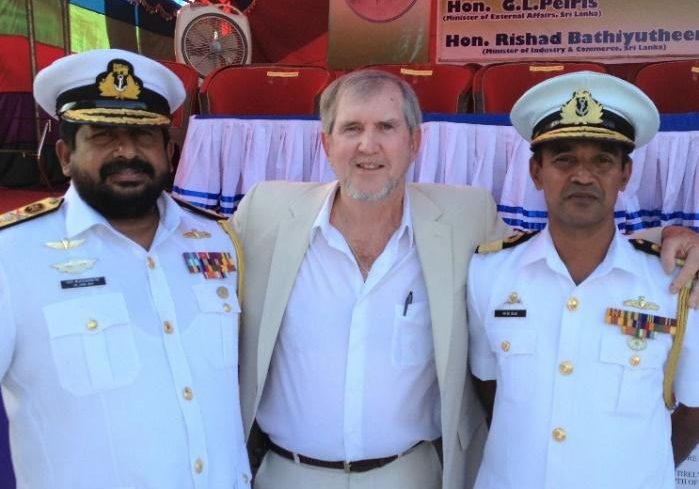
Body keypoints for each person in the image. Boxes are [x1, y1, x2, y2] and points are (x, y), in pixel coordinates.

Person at [0, 49, 251, 488]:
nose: (127, 152)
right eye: (102, 135)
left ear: (169, 151)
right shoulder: (12, 255)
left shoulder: (219, 241)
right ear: (64, 155)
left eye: (145, 137)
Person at [468, 71, 699, 489]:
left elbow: (694, 410)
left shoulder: (674, 281)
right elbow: (488, 386)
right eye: (564, 159)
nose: (583, 176)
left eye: (602, 161)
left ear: (625, 175)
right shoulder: (488, 273)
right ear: (536, 172)